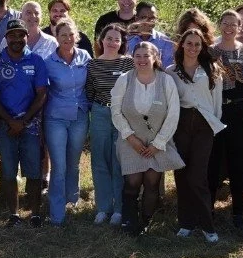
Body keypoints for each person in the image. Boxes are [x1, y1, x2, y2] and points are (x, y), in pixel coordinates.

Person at [112, 42, 184, 237]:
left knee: (152, 181)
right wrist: (130, 138)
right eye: (138, 56)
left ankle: (145, 221)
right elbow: (116, 111)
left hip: (158, 141)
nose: (142, 60)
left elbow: (173, 114)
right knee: (133, 181)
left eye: (146, 56)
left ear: (155, 57)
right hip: (130, 141)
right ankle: (129, 220)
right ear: (132, 58)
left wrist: (158, 144)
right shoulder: (124, 80)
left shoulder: (166, 81)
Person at [0, 19, 48, 228]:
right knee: (9, 170)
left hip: (30, 125)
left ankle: (35, 213)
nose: (17, 39)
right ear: (6, 38)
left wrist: (25, 120)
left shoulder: (37, 61)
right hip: (5, 126)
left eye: (21, 35)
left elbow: (42, 94)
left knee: (34, 171)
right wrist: (11, 121)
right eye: (12, 35)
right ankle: (13, 214)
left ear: (26, 37)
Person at [168, 30, 225, 242]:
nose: (193, 48)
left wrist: (214, 124)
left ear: (202, 48)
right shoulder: (171, 71)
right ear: (182, 45)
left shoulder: (211, 70)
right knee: (181, 174)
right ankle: (186, 223)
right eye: (189, 43)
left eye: (197, 45)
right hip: (181, 124)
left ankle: (207, 225)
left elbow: (217, 101)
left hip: (204, 125)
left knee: (197, 176)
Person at [211, 9, 243, 227]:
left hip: (240, 112)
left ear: (240, 27)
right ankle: (208, 210)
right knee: (213, 161)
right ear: (219, 25)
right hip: (216, 111)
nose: (229, 27)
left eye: (234, 24)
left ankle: (238, 212)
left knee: (238, 161)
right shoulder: (210, 52)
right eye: (225, 23)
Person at [43, 19, 91, 226]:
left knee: (73, 161)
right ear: (56, 37)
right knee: (59, 165)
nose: (67, 39)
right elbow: (42, 91)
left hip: (79, 116)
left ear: (76, 37)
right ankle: (56, 212)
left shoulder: (85, 57)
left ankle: (72, 200)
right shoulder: (48, 62)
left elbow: (92, 83)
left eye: (71, 35)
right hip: (56, 118)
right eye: (63, 35)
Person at [85, 24, 134, 225]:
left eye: (117, 39)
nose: (112, 42)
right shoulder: (92, 65)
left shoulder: (128, 64)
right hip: (100, 113)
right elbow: (89, 91)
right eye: (109, 38)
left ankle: (119, 209)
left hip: (122, 115)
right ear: (101, 40)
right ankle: (103, 208)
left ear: (121, 43)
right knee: (100, 160)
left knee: (118, 161)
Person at [126, 1, 175, 66]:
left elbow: (167, 67)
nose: (148, 21)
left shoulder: (165, 41)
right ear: (136, 19)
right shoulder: (127, 39)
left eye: (152, 18)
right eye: (144, 17)